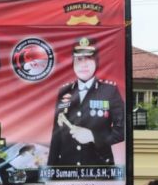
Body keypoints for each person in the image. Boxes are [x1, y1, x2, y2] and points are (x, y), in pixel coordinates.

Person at [47, 37, 126, 168]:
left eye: (89, 58)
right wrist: (51, 169)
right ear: (73, 63)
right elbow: (56, 135)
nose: (83, 64)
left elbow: (122, 130)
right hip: (67, 169)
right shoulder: (64, 91)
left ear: (97, 61)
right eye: (79, 59)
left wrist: (93, 136)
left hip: (99, 168)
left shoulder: (109, 91)